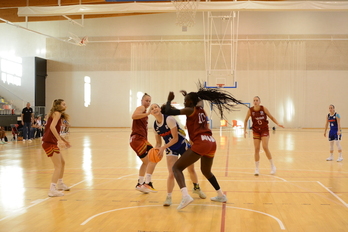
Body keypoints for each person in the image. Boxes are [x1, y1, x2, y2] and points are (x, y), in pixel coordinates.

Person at [165, 84, 244, 210]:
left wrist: (169, 100)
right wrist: (188, 95)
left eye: (186, 101)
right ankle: (221, 195)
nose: (184, 103)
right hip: (211, 142)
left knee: (176, 168)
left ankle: (185, 196)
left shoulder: (190, 110)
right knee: (206, 171)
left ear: (191, 102)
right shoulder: (201, 110)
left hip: (201, 142)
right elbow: (198, 100)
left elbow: (168, 111)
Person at [149, 103, 206, 206]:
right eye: (152, 108)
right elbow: (158, 143)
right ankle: (168, 197)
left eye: (155, 107)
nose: (154, 109)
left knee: (191, 169)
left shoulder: (169, 119)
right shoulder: (154, 126)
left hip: (182, 144)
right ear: (151, 113)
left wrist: (162, 148)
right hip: (170, 148)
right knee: (171, 173)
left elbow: (175, 139)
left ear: (159, 109)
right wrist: (156, 150)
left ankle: (196, 187)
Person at [243, 96, 284, 176]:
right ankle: (257, 169)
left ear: (259, 102)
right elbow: (245, 120)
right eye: (254, 100)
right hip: (256, 131)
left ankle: (272, 166)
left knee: (265, 147)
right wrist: (244, 130)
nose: (255, 102)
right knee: (256, 149)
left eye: (257, 100)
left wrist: (278, 123)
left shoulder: (264, 109)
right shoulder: (250, 110)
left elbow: (271, 117)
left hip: (264, 130)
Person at [42, 99, 71, 197]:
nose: (65, 105)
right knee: (58, 166)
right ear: (58, 105)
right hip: (49, 142)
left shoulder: (56, 114)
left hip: (51, 142)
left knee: (62, 162)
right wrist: (60, 140)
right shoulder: (57, 113)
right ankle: (52, 189)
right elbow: (52, 127)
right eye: (63, 104)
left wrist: (64, 140)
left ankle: (60, 183)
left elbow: (55, 131)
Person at [130, 93, 157, 193]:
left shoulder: (145, 111)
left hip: (142, 139)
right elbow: (133, 116)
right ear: (142, 101)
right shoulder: (141, 108)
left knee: (151, 158)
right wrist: (147, 114)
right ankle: (145, 183)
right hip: (137, 139)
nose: (148, 102)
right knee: (150, 160)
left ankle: (140, 183)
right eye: (146, 100)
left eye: (149, 101)